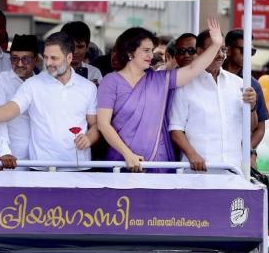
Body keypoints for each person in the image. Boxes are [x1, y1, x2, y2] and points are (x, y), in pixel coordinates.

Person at [96, 20, 224, 172]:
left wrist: (216, 45)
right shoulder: (111, 81)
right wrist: (128, 155)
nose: (151, 55)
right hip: (122, 163)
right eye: (146, 50)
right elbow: (103, 124)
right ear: (130, 52)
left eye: (152, 50)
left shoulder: (160, 79)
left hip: (158, 164)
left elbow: (192, 69)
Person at [0, 33, 96, 170]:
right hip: (41, 168)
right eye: (46, 57)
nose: (48, 63)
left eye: (54, 58)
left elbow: (95, 126)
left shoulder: (88, 87)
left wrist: (89, 138)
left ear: (69, 57)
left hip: (78, 166)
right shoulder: (33, 84)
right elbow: (11, 109)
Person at [167, 28, 256, 170]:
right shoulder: (186, 84)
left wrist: (252, 107)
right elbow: (176, 129)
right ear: (200, 52)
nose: (220, 54)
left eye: (222, 49)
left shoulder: (239, 84)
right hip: (198, 171)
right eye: (214, 49)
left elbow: (250, 127)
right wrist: (192, 155)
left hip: (233, 169)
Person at [0, 35, 38, 161]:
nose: (19, 64)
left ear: (36, 60)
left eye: (25, 59)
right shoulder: (0, 81)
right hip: (11, 157)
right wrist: (4, 152)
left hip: (39, 158)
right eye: (14, 59)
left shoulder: (42, 83)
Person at [223, 30, 267, 148]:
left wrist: (247, 151)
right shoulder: (212, 75)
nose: (247, 55)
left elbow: (260, 129)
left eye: (251, 51)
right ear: (228, 50)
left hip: (237, 154)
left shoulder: (253, 85)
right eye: (243, 50)